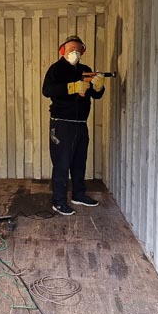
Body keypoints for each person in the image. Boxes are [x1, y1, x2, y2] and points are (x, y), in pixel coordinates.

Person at [42, 35, 105, 215]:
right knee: (61, 163)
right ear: (63, 51)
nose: (74, 53)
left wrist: (99, 87)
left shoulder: (86, 70)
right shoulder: (56, 69)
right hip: (62, 123)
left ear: (82, 51)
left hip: (81, 123)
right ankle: (59, 201)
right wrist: (71, 87)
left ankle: (79, 194)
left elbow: (95, 94)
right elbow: (47, 90)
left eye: (77, 50)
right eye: (71, 50)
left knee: (79, 161)